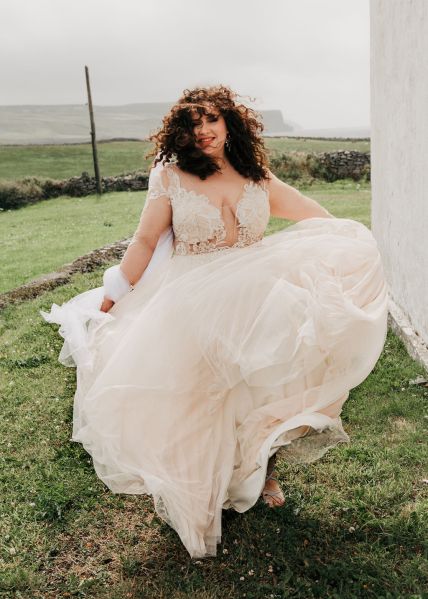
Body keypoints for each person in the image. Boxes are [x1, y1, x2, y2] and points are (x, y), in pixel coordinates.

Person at [40, 84, 389, 559]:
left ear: (230, 124)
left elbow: (313, 216)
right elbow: (144, 242)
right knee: (202, 396)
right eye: (193, 123)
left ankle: (262, 473)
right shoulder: (170, 176)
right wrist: (114, 294)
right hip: (193, 298)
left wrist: (342, 244)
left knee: (262, 390)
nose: (203, 131)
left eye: (211, 120)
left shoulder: (255, 174)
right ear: (181, 133)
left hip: (257, 296)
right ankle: (201, 491)